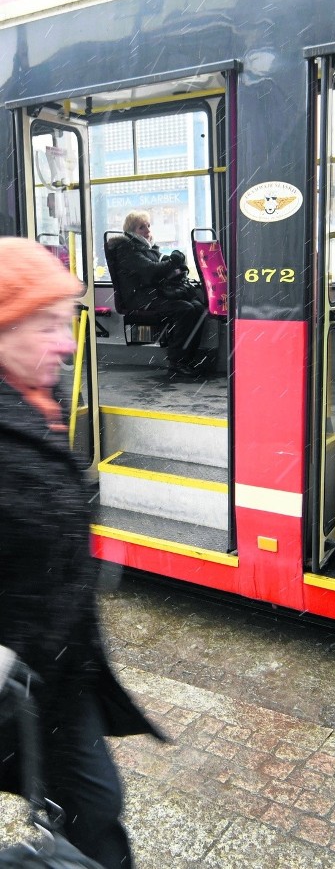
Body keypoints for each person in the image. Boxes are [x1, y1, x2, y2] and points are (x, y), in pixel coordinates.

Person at [0, 237, 164, 868]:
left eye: (63, 322)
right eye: (45, 324)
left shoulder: (35, 401)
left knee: (97, 814)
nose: (66, 343)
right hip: (13, 679)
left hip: (57, 677)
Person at [106, 210, 206, 377]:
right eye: (141, 227)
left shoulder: (146, 246)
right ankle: (176, 361)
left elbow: (159, 264)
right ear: (131, 231)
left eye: (148, 226)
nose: (147, 230)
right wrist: (173, 261)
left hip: (154, 293)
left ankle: (188, 358)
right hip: (139, 297)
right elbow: (149, 271)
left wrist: (174, 261)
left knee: (198, 308)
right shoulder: (126, 248)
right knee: (185, 309)